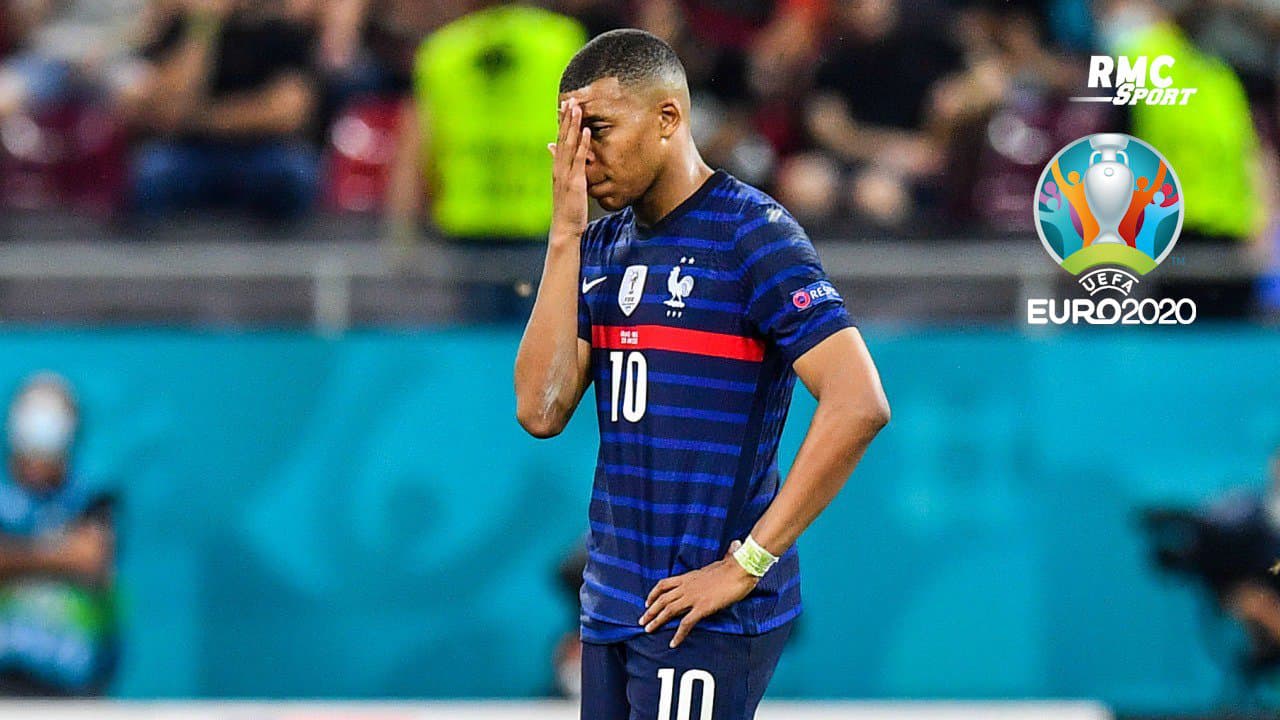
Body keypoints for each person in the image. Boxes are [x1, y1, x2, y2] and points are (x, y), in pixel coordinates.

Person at [514, 30, 890, 720]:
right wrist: (564, 236)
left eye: (599, 129)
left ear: (668, 118)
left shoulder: (751, 233)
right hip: (613, 601)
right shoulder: (599, 247)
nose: (581, 154)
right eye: (570, 134)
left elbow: (859, 402)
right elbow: (541, 410)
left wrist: (746, 565)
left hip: (702, 612)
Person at [385, 1, 585, 248]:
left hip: (464, 225)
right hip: (545, 222)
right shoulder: (564, 42)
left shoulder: (441, 51)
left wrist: (401, 237)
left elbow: (413, 151)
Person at [127, 0, 322, 221]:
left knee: (296, 172)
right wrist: (203, 29)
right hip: (192, 153)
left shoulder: (283, 31)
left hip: (262, 151)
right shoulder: (184, 29)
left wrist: (200, 118)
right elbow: (169, 110)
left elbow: (287, 114)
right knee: (152, 172)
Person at [0, 374, 116, 696]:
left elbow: (92, 558)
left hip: (75, 690)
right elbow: (76, 556)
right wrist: (60, 552)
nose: (38, 448)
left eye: (49, 431)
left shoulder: (93, 500)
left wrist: (16, 556)